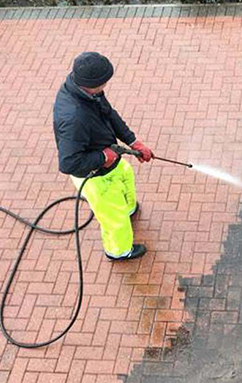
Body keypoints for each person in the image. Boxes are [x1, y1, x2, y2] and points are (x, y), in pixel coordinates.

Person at [53, 52, 153, 261]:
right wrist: (102, 157)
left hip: (110, 163)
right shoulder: (74, 118)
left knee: (125, 175)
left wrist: (133, 141)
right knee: (114, 220)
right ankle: (119, 251)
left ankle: (128, 209)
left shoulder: (89, 92)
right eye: (105, 81)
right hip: (95, 177)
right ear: (94, 83)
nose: (106, 85)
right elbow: (68, 163)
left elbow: (109, 113)